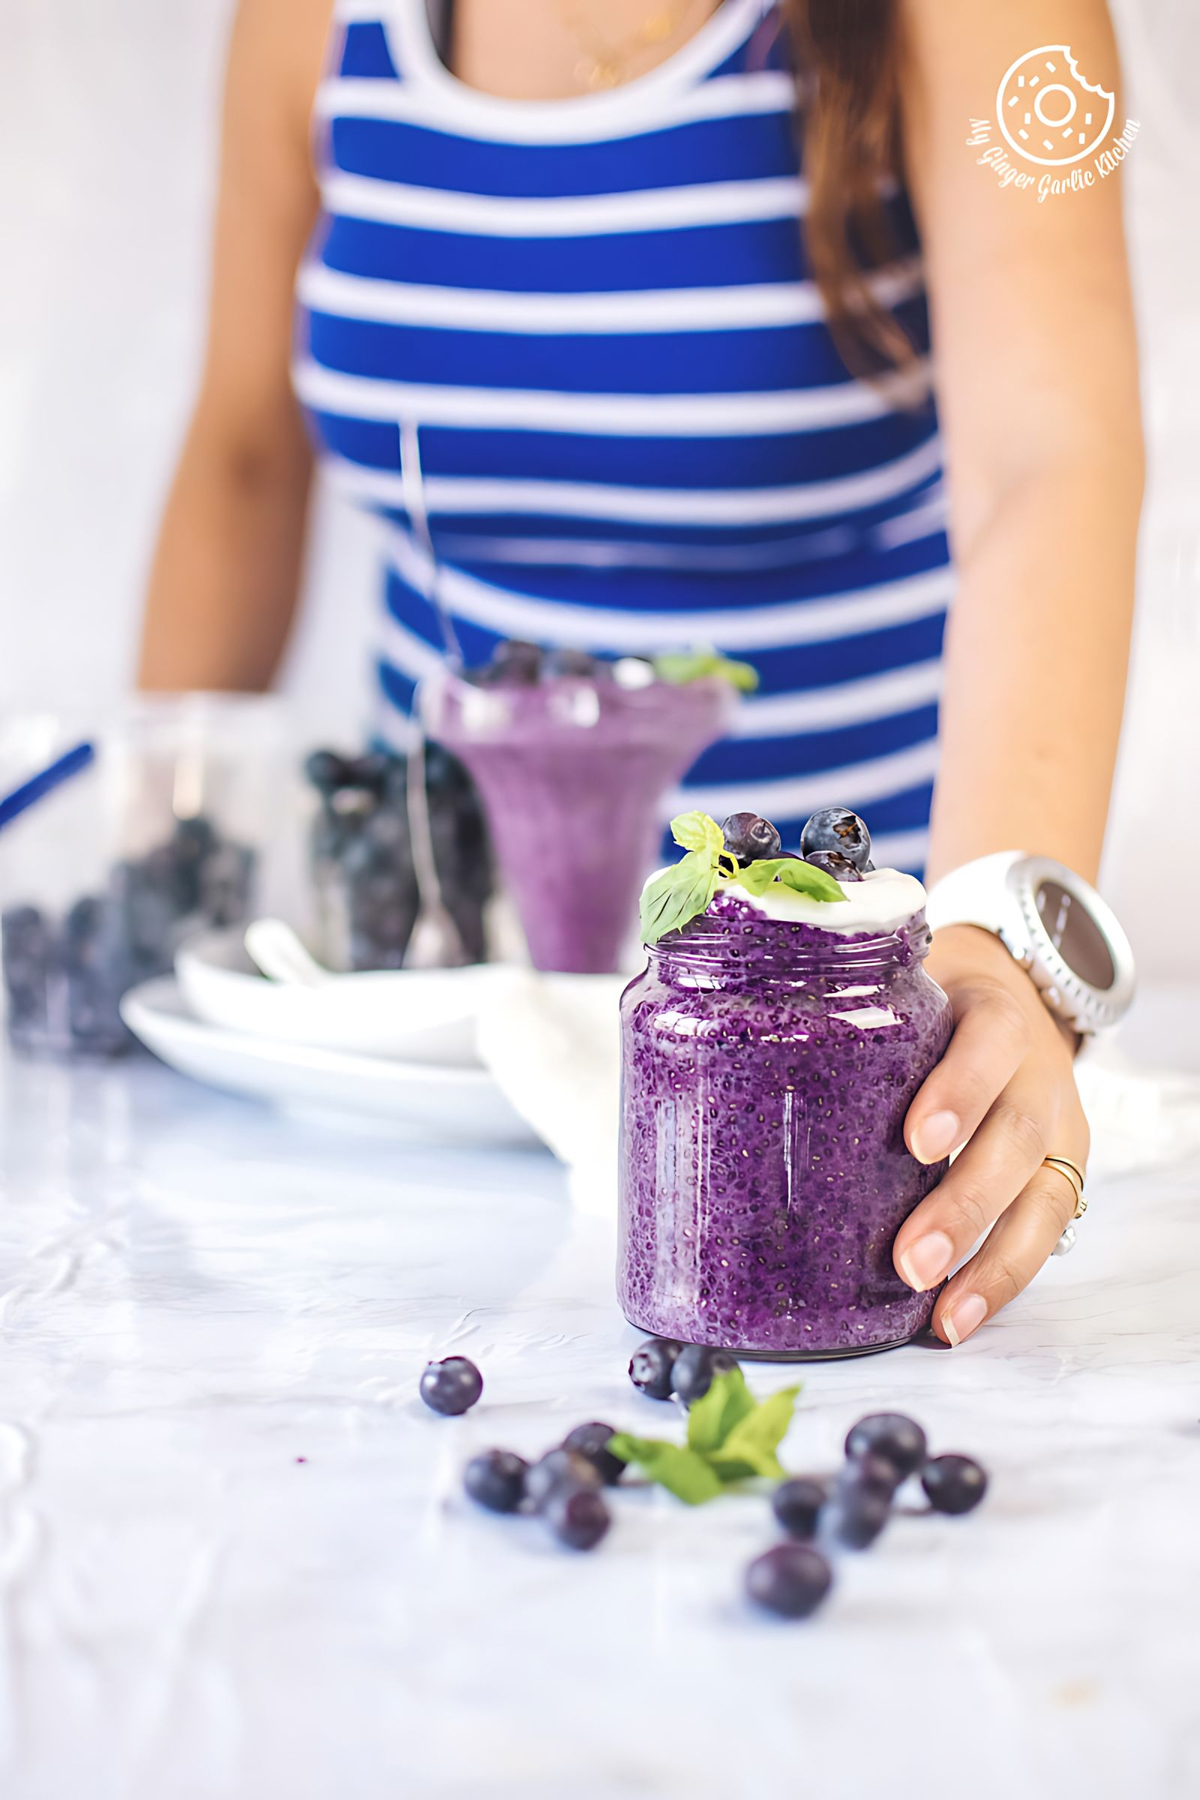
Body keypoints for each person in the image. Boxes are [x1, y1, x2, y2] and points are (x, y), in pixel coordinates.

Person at [138, 0, 1143, 1346]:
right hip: (410, 1044)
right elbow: (247, 449)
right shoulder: (309, 23)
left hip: (841, 1072)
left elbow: (1051, 469)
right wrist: (151, 853)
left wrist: (1003, 945)